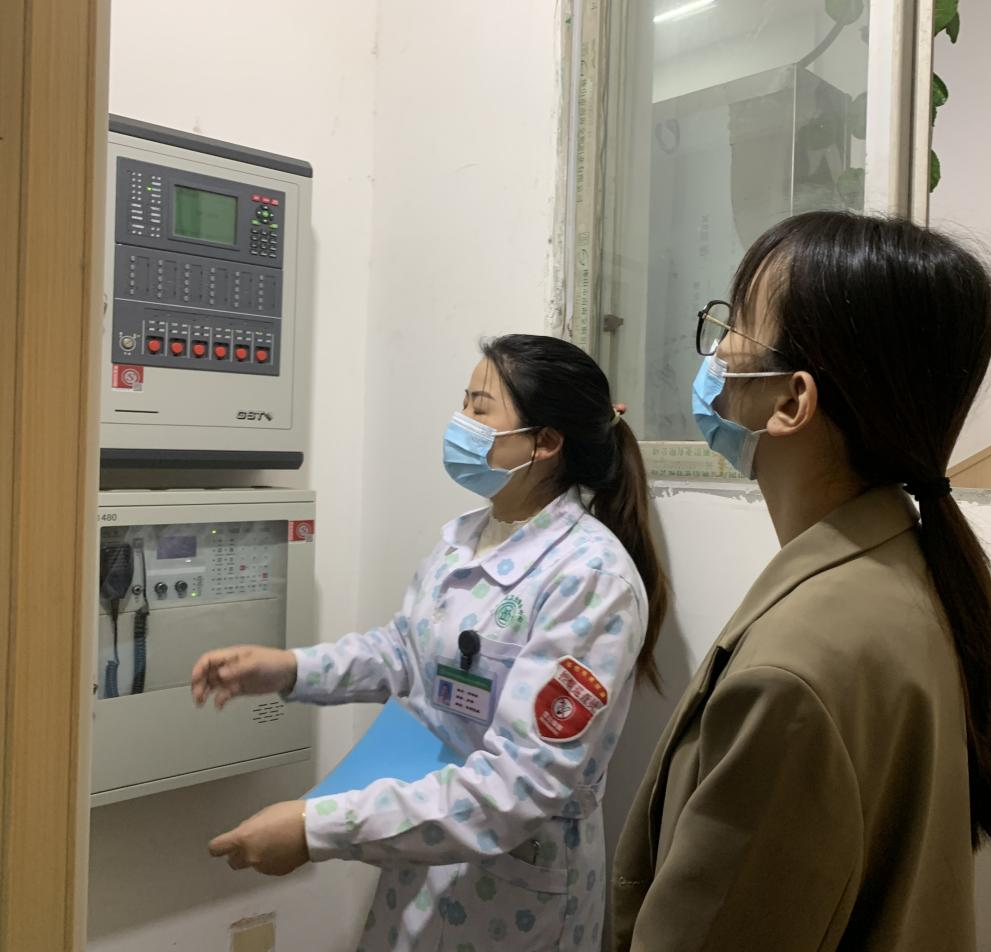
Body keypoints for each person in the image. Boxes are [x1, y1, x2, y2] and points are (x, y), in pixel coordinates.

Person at [611, 212, 991, 951]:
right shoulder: (903, 566)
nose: (717, 352)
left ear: (791, 401)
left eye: (735, 325)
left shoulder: (792, 675)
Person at [192, 334, 668, 952]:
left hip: (520, 886)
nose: (459, 421)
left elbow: (517, 786)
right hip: (423, 857)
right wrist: (289, 669)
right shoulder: (466, 538)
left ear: (546, 442)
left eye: (479, 407)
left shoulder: (590, 579)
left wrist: (315, 830)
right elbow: (402, 651)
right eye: (463, 401)